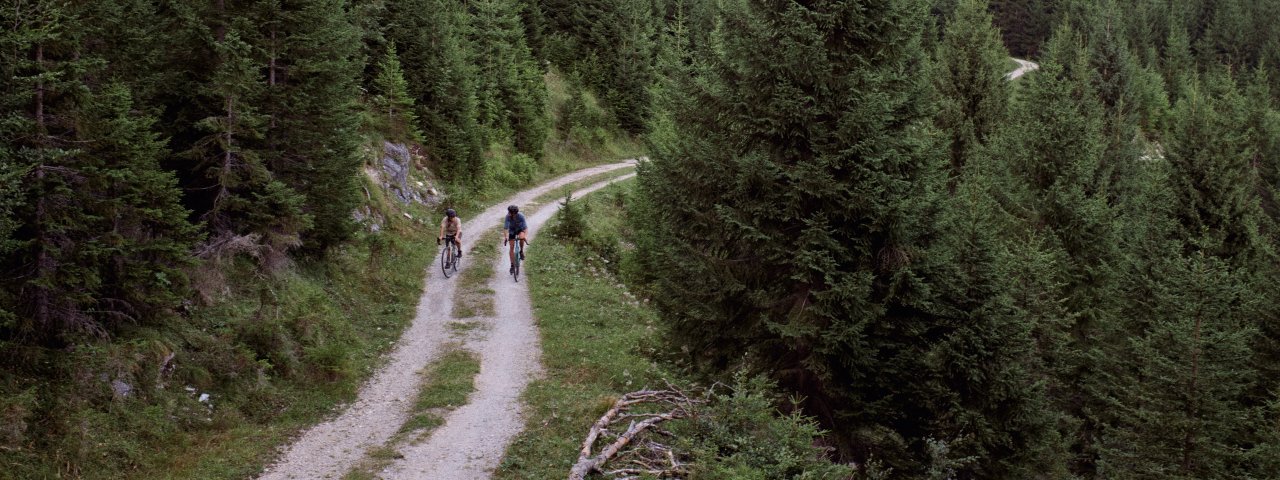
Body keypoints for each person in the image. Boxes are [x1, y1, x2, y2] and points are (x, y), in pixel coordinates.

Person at [503, 205, 527, 272]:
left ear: (514, 213)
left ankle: (521, 251)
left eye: (509, 212)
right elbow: (506, 228)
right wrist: (506, 237)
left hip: (520, 229)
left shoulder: (521, 216)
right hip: (512, 231)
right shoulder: (508, 216)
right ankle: (512, 265)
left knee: (522, 237)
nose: (508, 213)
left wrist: (525, 236)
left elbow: (525, 228)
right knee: (511, 246)